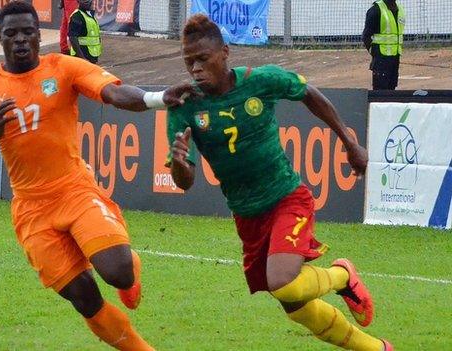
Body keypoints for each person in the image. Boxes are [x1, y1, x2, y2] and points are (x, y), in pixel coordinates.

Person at [0, 2, 194, 350]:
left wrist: (157, 98)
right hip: (32, 211)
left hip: (75, 191)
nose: (20, 40)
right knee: (85, 298)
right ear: (0, 39)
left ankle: (130, 273)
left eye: (28, 32)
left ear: (40, 36)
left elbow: (113, 92)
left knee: (119, 272)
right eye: (11, 34)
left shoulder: (63, 68)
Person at [167, 14, 394, 351]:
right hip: (247, 216)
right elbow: (184, 182)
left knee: (283, 284)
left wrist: (349, 142)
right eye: (189, 62)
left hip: (287, 198)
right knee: (297, 308)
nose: (196, 69)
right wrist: (181, 163)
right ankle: (379, 349)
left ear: (225, 52)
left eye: (203, 59)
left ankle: (343, 275)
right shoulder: (184, 106)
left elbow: (309, 93)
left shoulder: (261, 81)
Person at [362, 0, 405, 90]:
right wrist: (375, 53)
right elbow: (366, 36)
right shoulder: (376, 10)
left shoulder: (400, 9)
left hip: (395, 58)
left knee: (392, 88)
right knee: (380, 90)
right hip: (381, 59)